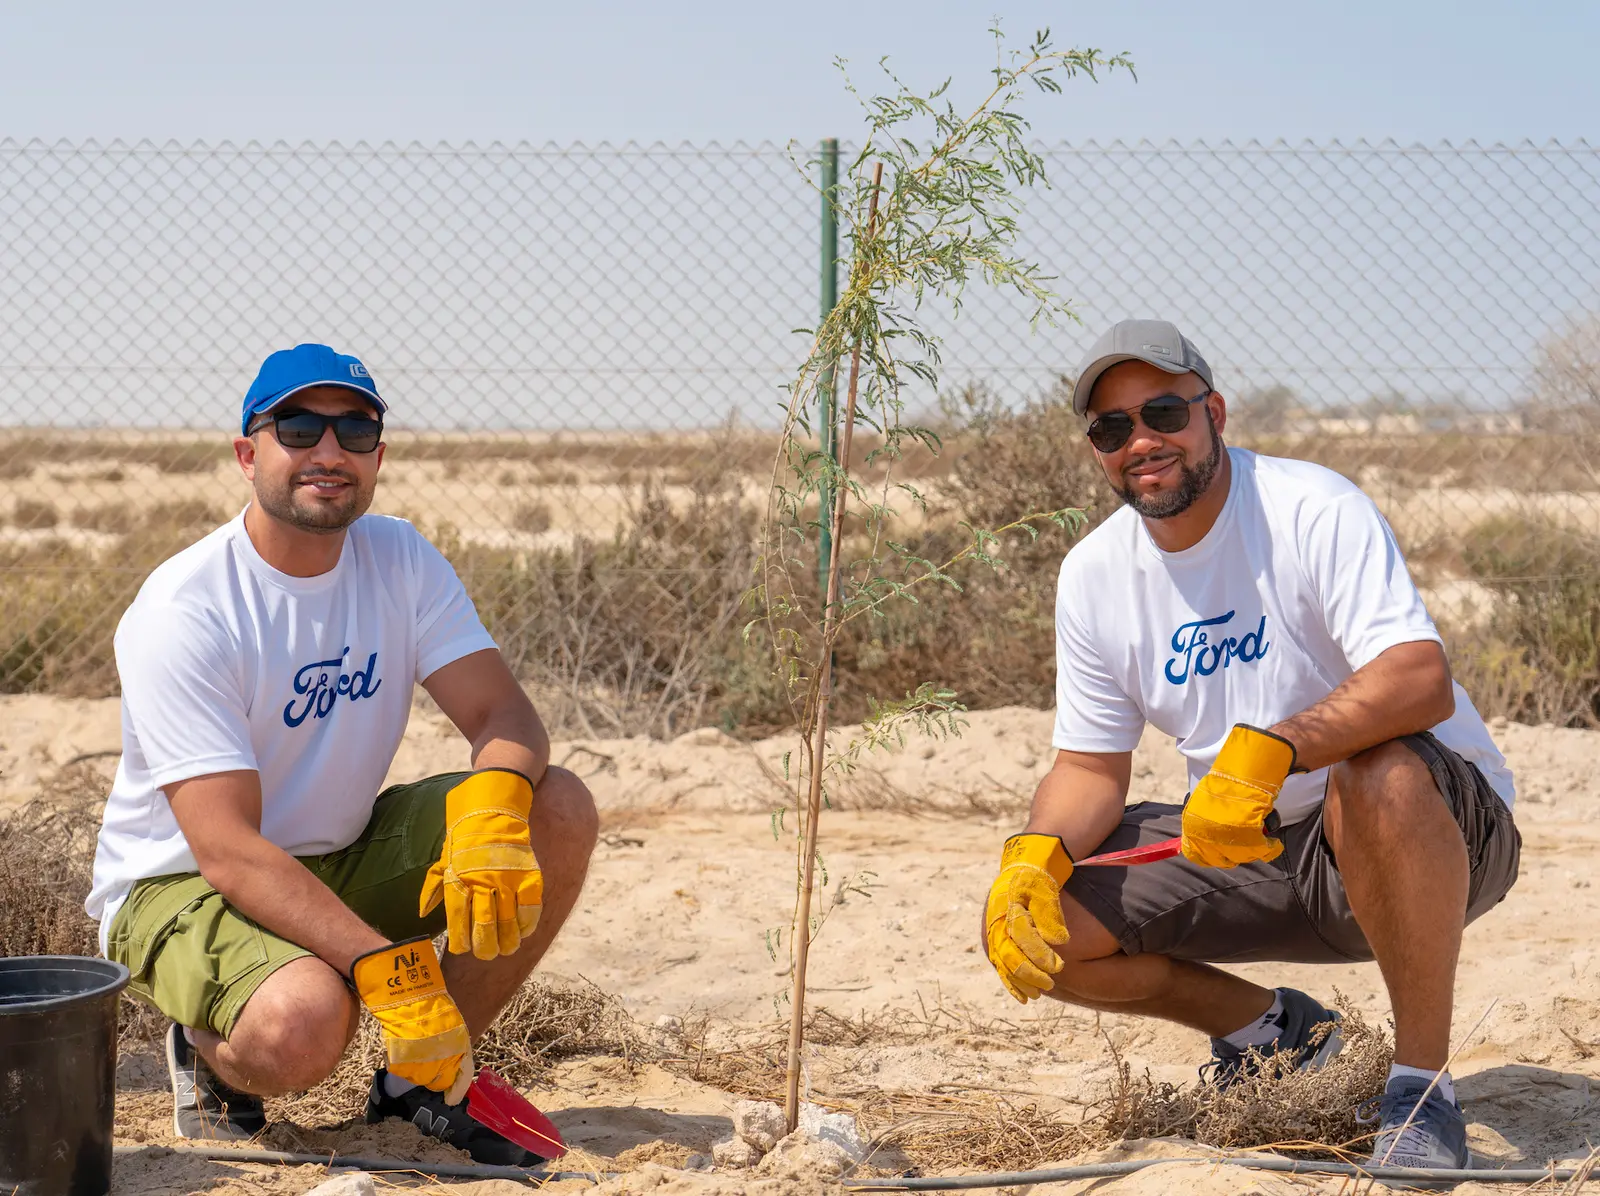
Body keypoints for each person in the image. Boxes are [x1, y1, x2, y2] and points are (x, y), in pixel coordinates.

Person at [981, 319, 1519, 1169]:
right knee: (1046, 928)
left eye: (1163, 412)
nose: (1141, 442)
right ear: (1096, 451)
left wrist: (1277, 749)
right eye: (1112, 428)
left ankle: (1420, 1093)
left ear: (1215, 413)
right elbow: (1088, 768)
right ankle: (1272, 1028)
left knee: (1376, 768)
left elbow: (1420, 678)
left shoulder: (1311, 507)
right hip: (1252, 844)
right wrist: (1030, 857)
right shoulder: (1092, 575)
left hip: (1436, 833)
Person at [87, 343, 598, 1164]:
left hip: (337, 851)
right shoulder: (187, 610)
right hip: (182, 882)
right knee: (307, 1022)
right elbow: (226, 847)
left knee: (556, 805)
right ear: (249, 454)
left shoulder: (399, 557)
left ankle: (426, 1080)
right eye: (299, 426)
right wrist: (384, 970)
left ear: (379, 457)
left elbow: (503, 712)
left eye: (356, 431)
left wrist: (496, 807)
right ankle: (209, 1058)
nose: (330, 452)